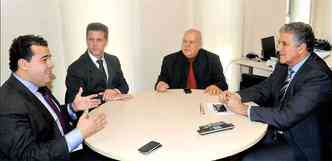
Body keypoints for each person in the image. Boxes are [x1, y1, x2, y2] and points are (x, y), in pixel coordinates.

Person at [221, 22, 332, 161]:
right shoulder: (284, 63)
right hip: (275, 130)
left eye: (284, 44)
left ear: (301, 48)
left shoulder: (319, 77)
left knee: (250, 159)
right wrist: (236, 95)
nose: (278, 48)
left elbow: (286, 116)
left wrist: (244, 109)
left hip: (300, 144)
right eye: (279, 42)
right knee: (234, 142)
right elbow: (265, 88)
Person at [0, 35, 109, 161]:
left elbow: (47, 118)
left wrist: (72, 108)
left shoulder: (36, 84)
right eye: (44, 59)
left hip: (67, 149)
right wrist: (79, 133)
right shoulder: (7, 104)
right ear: (24, 64)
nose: (51, 65)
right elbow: (29, 157)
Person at [65, 22, 129, 104]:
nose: (94, 44)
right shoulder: (75, 68)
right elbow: (75, 101)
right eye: (91, 39)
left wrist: (115, 91)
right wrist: (105, 96)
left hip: (116, 110)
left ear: (106, 41)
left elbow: (124, 86)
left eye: (99, 40)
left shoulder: (113, 60)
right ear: (86, 40)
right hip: (91, 114)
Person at [155, 29, 228, 95]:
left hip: (203, 99)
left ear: (200, 45)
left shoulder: (212, 59)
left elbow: (223, 84)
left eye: (191, 42)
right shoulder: (169, 60)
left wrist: (215, 86)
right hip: (177, 100)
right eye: (185, 41)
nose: (187, 45)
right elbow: (162, 80)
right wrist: (160, 84)